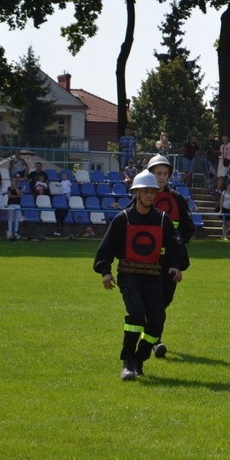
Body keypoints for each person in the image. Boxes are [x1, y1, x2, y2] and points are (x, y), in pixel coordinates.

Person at [93, 170, 188, 381]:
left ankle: (139, 359)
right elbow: (105, 249)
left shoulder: (163, 220)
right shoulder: (123, 219)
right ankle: (127, 362)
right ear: (136, 193)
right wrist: (105, 272)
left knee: (157, 320)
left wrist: (175, 266)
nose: (149, 196)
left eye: (152, 192)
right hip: (129, 275)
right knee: (135, 316)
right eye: (145, 191)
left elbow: (175, 248)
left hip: (153, 277)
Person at [146, 154, 194, 358]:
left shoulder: (178, 199)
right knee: (152, 301)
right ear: (151, 174)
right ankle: (155, 340)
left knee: (164, 300)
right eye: (158, 173)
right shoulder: (142, 196)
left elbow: (188, 228)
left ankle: (149, 335)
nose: (162, 177)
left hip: (170, 259)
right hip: (147, 259)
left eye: (165, 173)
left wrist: (174, 242)